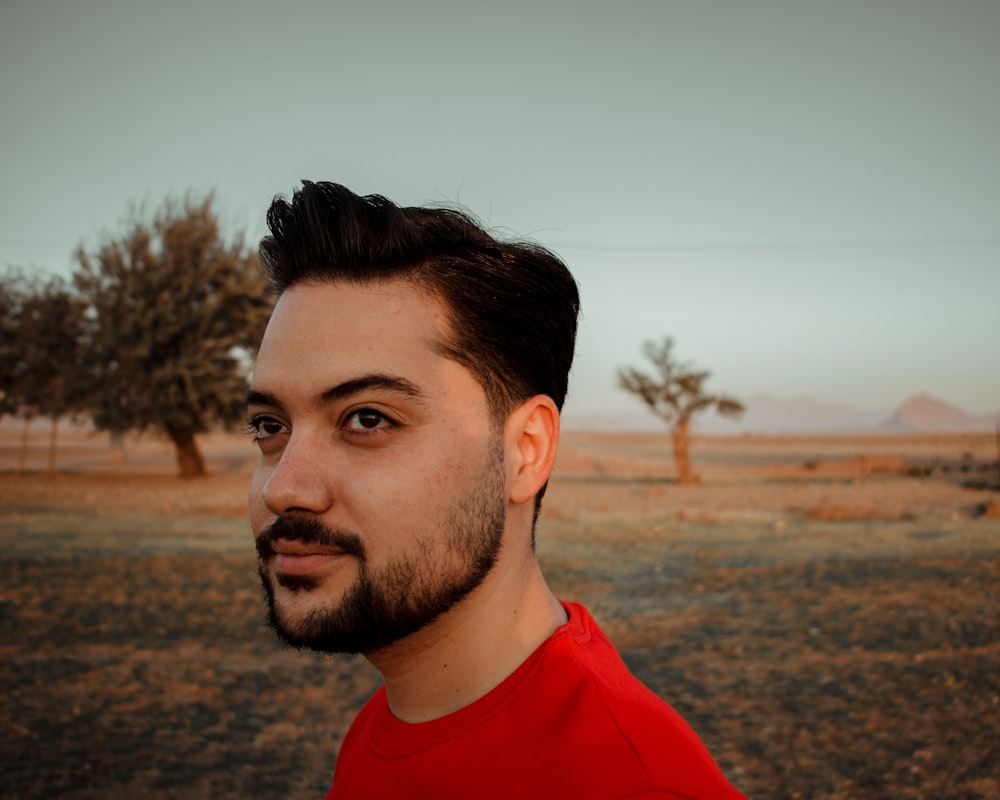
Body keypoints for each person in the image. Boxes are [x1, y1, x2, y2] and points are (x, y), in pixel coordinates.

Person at [246, 181, 746, 799]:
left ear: (525, 451)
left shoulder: (631, 783)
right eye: (270, 426)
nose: (284, 488)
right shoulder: (388, 723)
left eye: (367, 419)